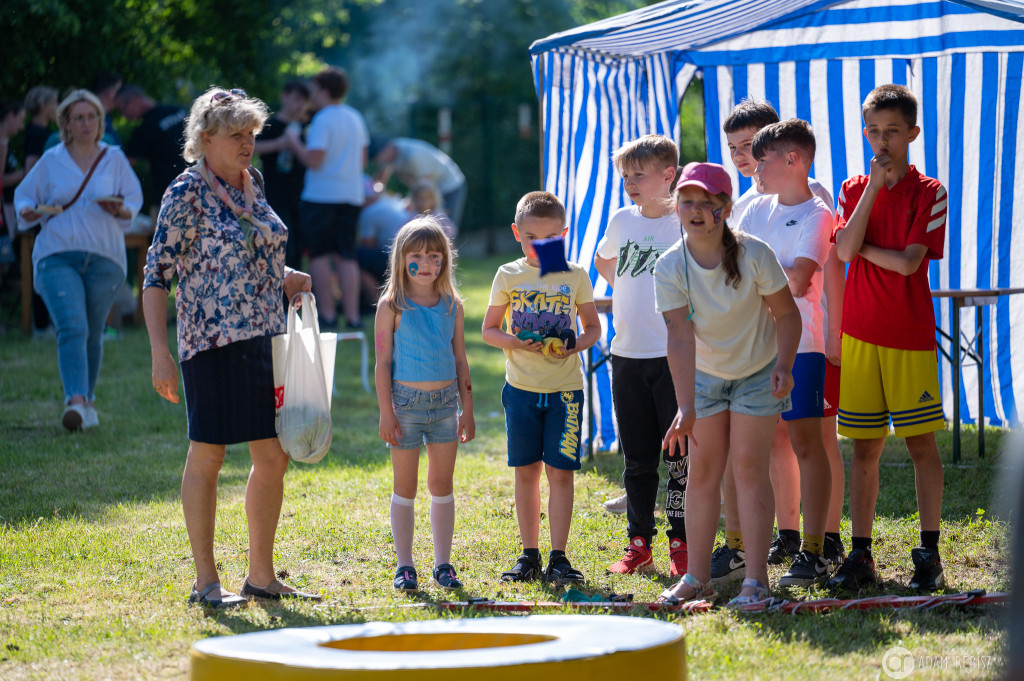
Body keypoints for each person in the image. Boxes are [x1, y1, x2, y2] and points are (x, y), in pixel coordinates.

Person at [142, 87, 319, 608]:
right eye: (237, 135)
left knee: (273, 456)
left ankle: (260, 576)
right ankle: (206, 582)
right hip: (211, 341)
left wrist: (287, 277)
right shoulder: (185, 192)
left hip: (265, 337)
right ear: (204, 139)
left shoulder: (253, 183)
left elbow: (248, 259)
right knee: (209, 455)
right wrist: (159, 352)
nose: (248, 144)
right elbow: (157, 276)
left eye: (252, 134)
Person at [712, 99, 846, 584]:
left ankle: (822, 543)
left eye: (754, 149)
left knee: (814, 443)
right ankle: (773, 539)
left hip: (807, 342)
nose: (747, 159)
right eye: (738, 150)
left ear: (784, 152)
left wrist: (835, 332)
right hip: (753, 345)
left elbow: (805, 279)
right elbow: (731, 267)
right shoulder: (752, 204)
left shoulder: (816, 204)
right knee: (760, 448)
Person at [655, 162, 800, 606]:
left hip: (758, 374)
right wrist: (685, 406)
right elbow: (679, 336)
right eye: (687, 202)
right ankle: (696, 577)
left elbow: (788, 314)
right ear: (675, 206)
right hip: (705, 378)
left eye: (707, 202)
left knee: (749, 470)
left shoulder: (754, 253)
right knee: (703, 475)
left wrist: (785, 365)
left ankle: (756, 581)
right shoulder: (668, 265)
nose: (695, 210)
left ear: (725, 208)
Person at [827, 84, 947, 592]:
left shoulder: (931, 191)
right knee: (864, 449)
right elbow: (843, 253)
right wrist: (874, 190)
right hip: (859, 335)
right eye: (873, 131)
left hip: (909, 335)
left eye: (892, 131)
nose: (882, 141)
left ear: (913, 134)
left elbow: (907, 263)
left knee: (921, 444)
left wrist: (863, 246)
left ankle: (930, 551)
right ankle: (861, 555)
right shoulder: (854, 187)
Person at [482, 191, 601, 586]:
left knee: (561, 474)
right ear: (517, 233)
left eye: (550, 238)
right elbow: (489, 331)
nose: (539, 245)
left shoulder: (575, 274)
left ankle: (559, 557)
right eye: (531, 237)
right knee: (526, 472)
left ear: (564, 235)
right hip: (520, 389)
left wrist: (573, 345)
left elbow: (593, 330)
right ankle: (529, 555)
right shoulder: (508, 274)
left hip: (566, 390)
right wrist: (516, 342)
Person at [14, 90, 142, 431]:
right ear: (66, 124)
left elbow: (134, 198)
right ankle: (75, 401)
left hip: (104, 256)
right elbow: (24, 195)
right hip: (57, 254)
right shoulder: (51, 160)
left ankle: (88, 401)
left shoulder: (113, 157)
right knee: (73, 326)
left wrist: (121, 208)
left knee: (93, 333)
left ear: (100, 121)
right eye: (79, 117)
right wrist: (28, 210)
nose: (86, 123)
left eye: (92, 116)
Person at [593, 134, 688, 577]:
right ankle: (639, 544)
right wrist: (626, 290)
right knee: (637, 459)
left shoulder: (685, 222)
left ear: (668, 175)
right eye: (625, 175)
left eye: (639, 174)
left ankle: (681, 542)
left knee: (679, 459)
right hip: (626, 355)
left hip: (673, 357)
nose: (630, 182)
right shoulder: (621, 220)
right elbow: (602, 259)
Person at [374, 217, 475, 591]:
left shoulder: (453, 305)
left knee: (441, 483)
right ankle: (405, 565)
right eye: (417, 255)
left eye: (435, 255)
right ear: (401, 259)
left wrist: (468, 408)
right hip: (405, 407)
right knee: (405, 487)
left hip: (446, 407)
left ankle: (443, 564)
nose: (427, 263)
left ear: (445, 260)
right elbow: (382, 362)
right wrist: (387, 411)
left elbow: (461, 359)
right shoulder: (391, 306)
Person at [287, 66, 368, 329]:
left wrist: (293, 142)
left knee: (319, 255)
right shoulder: (355, 117)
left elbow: (314, 159)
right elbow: (363, 160)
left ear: (323, 90)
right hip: (351, 195)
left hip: (321, 196)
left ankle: (329, 316)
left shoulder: (322, 119)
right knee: (347, 256)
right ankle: (353, 317)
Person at [254, 79, 310, 270]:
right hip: (275, 194)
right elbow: (252, 148)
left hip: (301, 196)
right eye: (296, 99)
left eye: (304, 100)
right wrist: (280, 144)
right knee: (284, 247)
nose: (300, 105)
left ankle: (296, 296)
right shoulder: (270, 124)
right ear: (284, 97)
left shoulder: (304, 128)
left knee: (299, 249)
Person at [117, 84, 188, 208]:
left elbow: (124, 165)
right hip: (200, 189)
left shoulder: (145, 128)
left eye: (123, 109)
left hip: (170, 198)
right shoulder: (177, 111)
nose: (124, 116)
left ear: (133, 100)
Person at [373, 137, 467, 231]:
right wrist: (374, 193)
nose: (378, 160)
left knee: (444, 228)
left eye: (379, 156)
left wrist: (411, 202)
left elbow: (425, 187)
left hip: (450, 186)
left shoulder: (413, 155)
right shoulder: (390, 156)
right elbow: (379, 181)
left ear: (387, 148)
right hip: (431, 189)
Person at [356, 179, 410, 307]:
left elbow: (367, 244)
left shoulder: (369, 213)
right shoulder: (388, 202)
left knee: (353, 257)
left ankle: (374, 302)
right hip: (404, 255)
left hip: (396, 258)